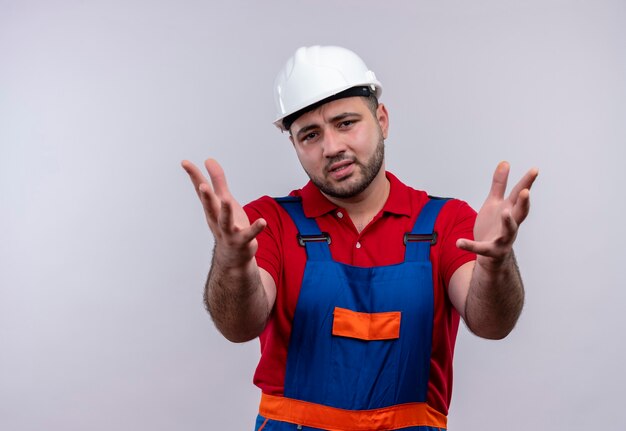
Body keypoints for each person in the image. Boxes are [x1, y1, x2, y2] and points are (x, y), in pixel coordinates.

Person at [182, 45, 538, 431]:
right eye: (310, 135)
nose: (332, 147)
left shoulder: (445, 222)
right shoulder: (269, 222)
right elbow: (238, 327)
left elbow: (492, 324)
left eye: (346, 122)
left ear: (382, 120)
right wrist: (232, 262)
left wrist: (496, 264)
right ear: (295, 145)